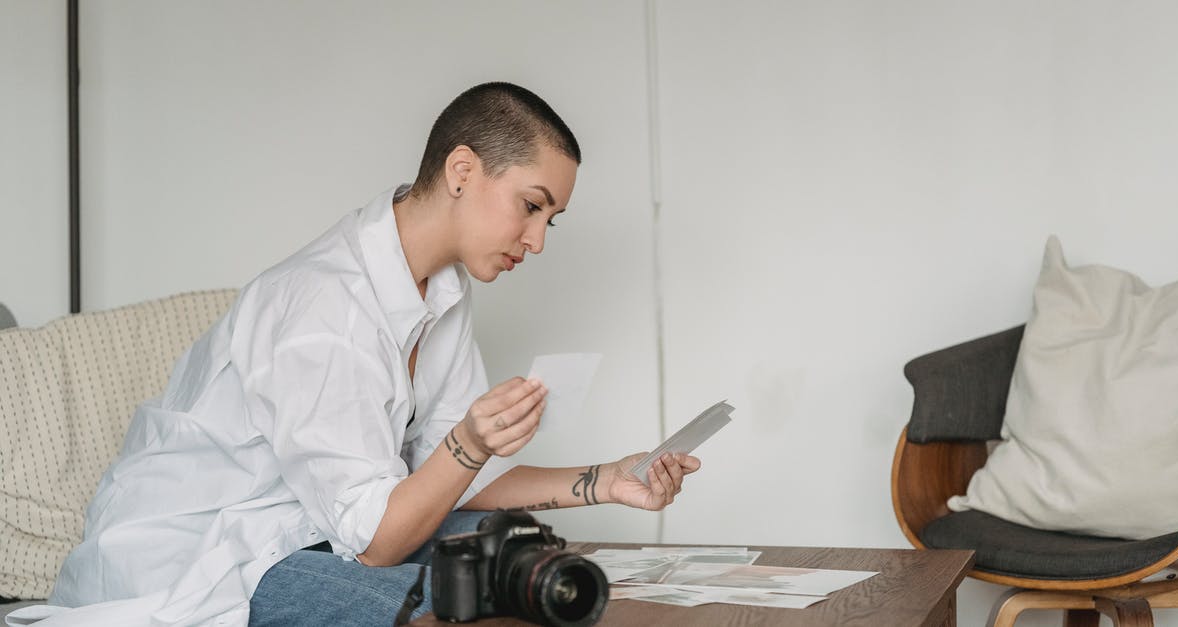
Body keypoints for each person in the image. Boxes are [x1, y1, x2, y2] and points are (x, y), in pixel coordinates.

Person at [19, 82, 700, 627]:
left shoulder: (441, 293)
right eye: (530, 206)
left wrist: (607, 478)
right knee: (429, 594)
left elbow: (455, 476)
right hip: (199, 557)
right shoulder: (323, 307)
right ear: (462, 169)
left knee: (509, 547)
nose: (537, 239)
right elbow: (379, 539)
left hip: (303, 533)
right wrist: (467, 441)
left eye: (548, 219)